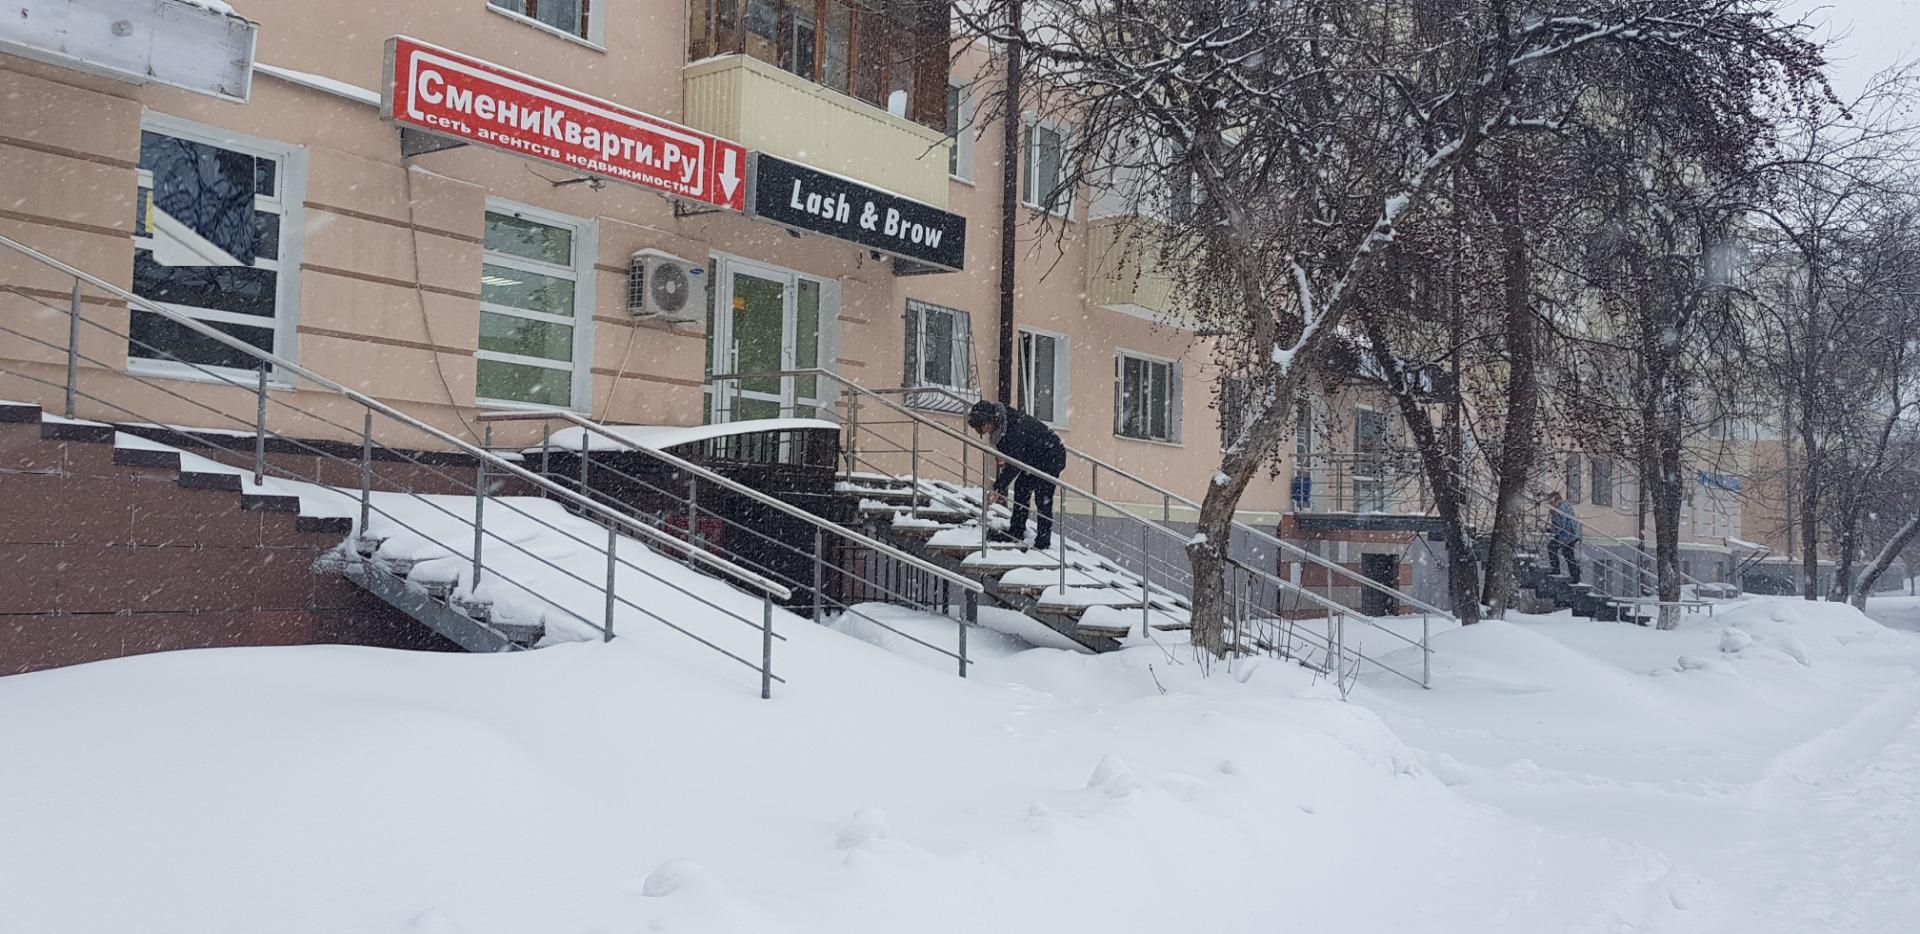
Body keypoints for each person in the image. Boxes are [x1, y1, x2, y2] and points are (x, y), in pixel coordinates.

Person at [966, 400, 1067, 551]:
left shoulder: (1012, 429)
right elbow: (1013, 460)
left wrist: (997, 488)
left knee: (1043, 496)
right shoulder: (1003, 427)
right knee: (1021, 488)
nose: (984, 432)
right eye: (980, 430)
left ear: (991, 419)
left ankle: (1043, 542)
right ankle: (1016, 531)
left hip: (1051, 456)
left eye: (983, 427)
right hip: (1033, 457)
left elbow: (1014, 464)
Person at [1546, 490, 1582, 584]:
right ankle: (1575, 575)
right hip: (1571, 534)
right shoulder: (1565, 506)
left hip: (1567, 535)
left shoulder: (1560, 509)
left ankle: (1556, 569)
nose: (1551, 504)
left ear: (1557, 500)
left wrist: (1553, 528)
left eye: (1551, 502)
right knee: (1568, 554)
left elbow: (1561, 524)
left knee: (1553, 547)